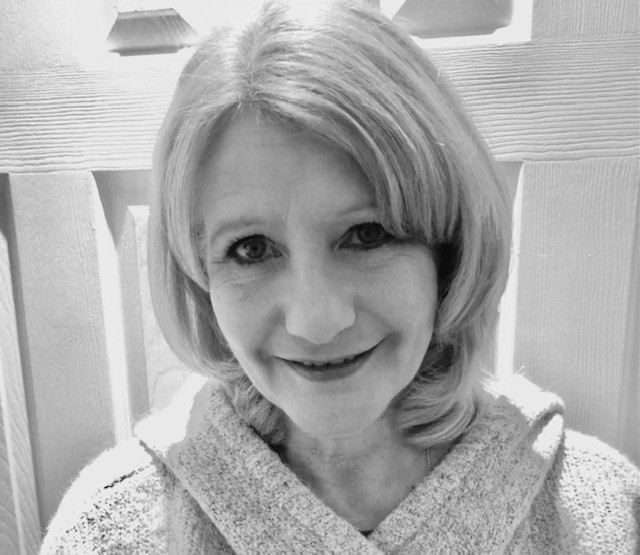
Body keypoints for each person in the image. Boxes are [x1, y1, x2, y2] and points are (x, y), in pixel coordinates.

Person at [41, 0, 638, 553]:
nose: (317, 320)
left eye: (368, 235)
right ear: (198, 275)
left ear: (449, 248)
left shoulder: (607, 513)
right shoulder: (108, 530)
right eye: (251, 249)